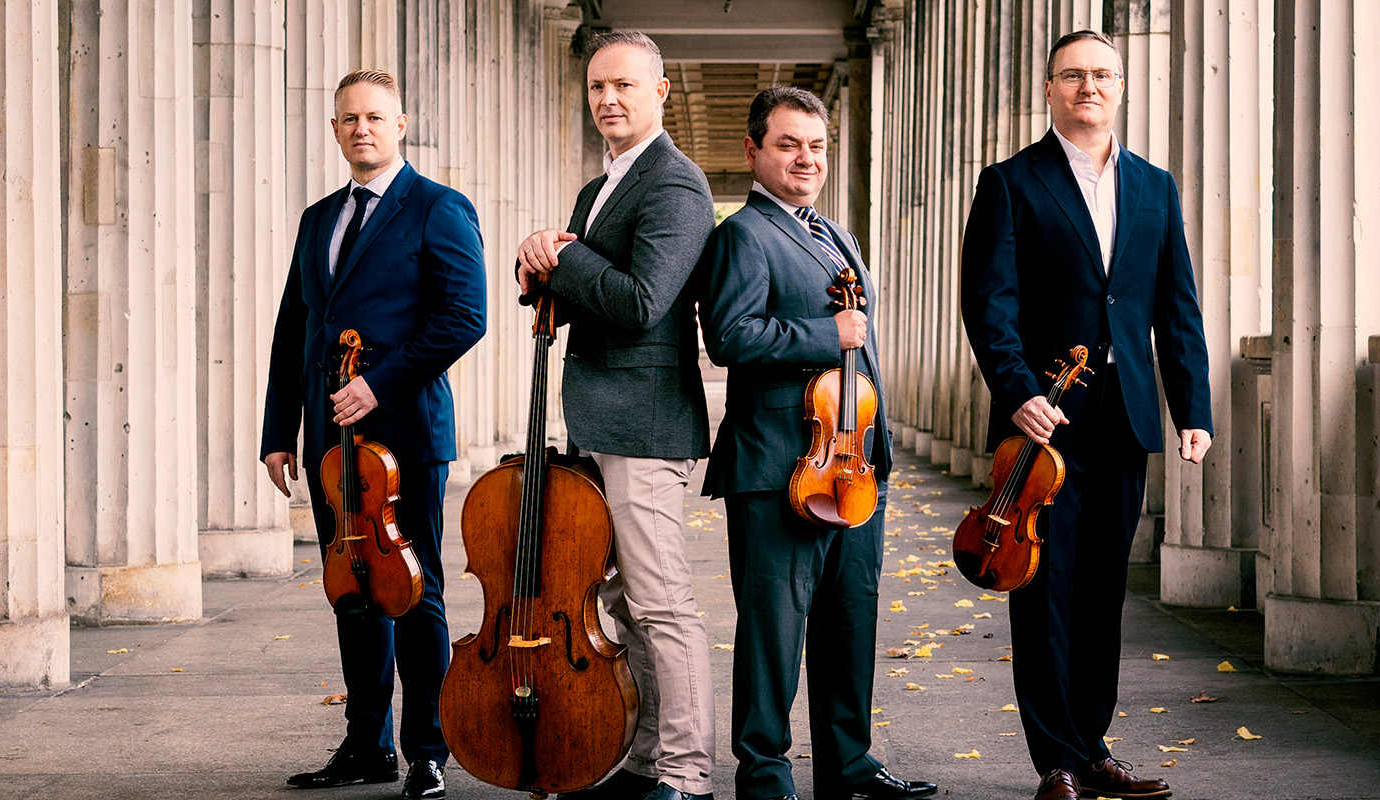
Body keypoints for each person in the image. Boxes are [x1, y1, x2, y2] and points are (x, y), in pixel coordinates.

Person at [960, 30, 1212, 800]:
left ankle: (1094, 744)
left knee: (1103, 588)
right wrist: (1018, 392)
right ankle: (1058, 762)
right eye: (1073, 75)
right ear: (1049, 88)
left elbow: (1176, 307)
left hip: (1126, 416)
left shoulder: (1155, 186)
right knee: (1044, 587)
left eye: (1103, 74)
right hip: (1045, 421)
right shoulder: (1010, 182)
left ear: (1122, 85)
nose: (1089, 87)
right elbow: (989, 305)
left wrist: (1191, 405)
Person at [699, 86, 938, 800]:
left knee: (849, 617)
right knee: (773, 630)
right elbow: (730, 337)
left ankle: (849, 764)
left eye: (817, 145)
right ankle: (764, 773)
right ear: (753, 152)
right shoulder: (741, 235)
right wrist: (822, 335)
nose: (806, 158)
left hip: (852, 464)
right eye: (788, 144)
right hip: (777, 466)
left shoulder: (834, 234)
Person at [260, 68, 487, 800]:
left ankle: (427, 749)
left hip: (405, 435)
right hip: (332, 445)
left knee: (415, 592)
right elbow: (295, 329)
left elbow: (464, 317)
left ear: (401, 124)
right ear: (335, 131)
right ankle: (367, 746)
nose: (362, 128)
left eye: (375, 117)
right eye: (349, 119)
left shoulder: (439, 208)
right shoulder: (318, 217)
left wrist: (377, 382)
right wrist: (278, 429)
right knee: (351, 593)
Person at [514, 30, 718, 800]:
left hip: (644, 423)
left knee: (662, 605)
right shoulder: (599, 187)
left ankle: (688, 774)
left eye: (626, 86)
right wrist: (535, 260)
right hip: (598, 422)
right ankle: (639, 764)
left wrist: (563, 256)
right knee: (618, 606)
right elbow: (567, 294)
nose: (609, 100)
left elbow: (640, 303)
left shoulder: (675, 183)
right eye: (599, 87)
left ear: (661, 92)